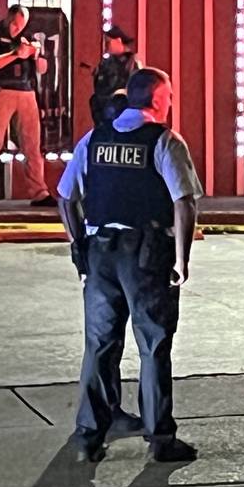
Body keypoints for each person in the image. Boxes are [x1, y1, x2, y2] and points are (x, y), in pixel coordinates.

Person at [57, 67, 202, 464]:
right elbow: (184, 201)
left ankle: (89, 436)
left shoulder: (95, 139)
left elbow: (66, 196)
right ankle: (160, 438)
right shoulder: (164, 141)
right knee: (153, 343)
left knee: (100, 345)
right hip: (146, 253)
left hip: (100, 251)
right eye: (168, 94)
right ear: (156, 98)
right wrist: (182, 260)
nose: (170, 101)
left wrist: (77, 245)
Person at [0, 4, 52, 212]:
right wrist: (16, 54)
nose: (18, 29)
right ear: (8, 18)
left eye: (22, 26)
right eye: (15, 25)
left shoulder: (28, 36)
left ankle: (39, 192)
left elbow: (43, 68)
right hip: (1, 91)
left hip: (27, 92)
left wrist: (35, 54)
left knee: (33, 144)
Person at [90, 26, 140, 126]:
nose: (106, 46)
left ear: (118, 40)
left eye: (108, 42)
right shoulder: (106, 63)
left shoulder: (131, 63)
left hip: (120, 109)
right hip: (103, 109)